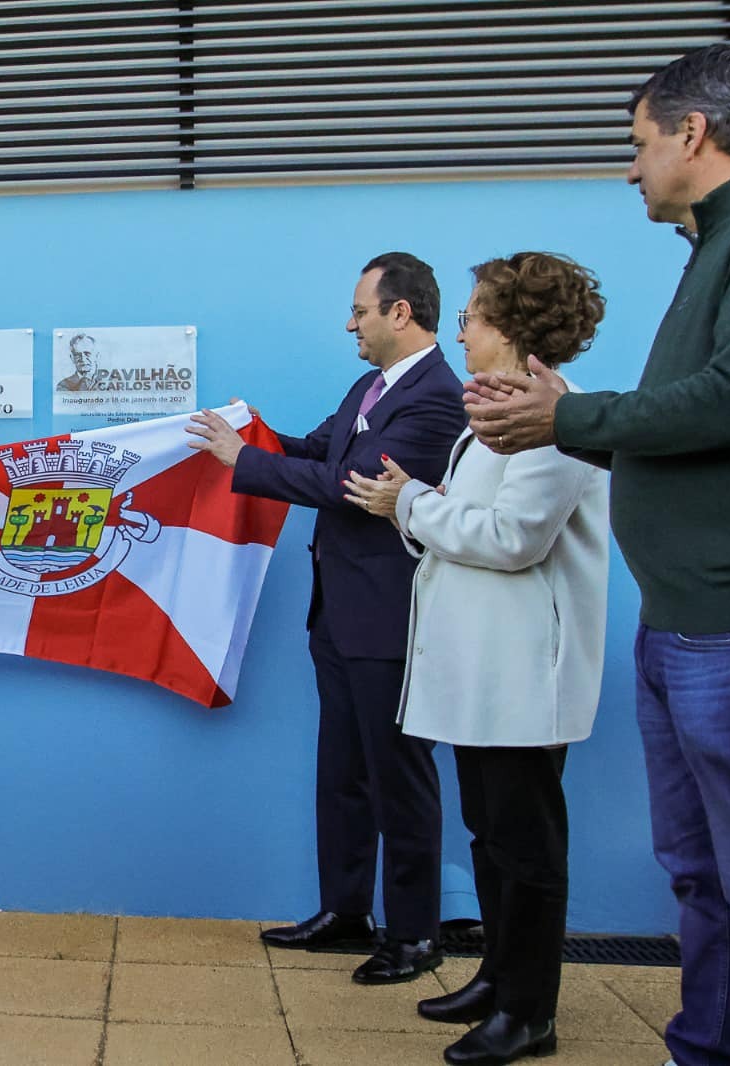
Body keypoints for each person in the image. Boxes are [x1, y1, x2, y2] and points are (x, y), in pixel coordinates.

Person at [463, 44, 730, 1066]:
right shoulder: (725, 240)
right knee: (701, 873)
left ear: (694, 133)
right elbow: (684, 421)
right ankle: (710, 1049)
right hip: (689, 622)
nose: (629, 167)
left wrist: (570, 414)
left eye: (638, 143)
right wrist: (560, 425)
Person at [345, 253, 609, 1064]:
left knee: (527, 849)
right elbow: (462, 519)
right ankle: (498, 977)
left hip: (525, 672)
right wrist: (415, 505)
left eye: (470, 315)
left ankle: (530, 1012)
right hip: (480, 671)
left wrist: (409, 503)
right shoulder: (486, 416)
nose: (461, 328)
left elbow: (512, 539)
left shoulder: (551, 422)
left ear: (510, 327)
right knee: (488, 835)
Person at [186, 252, 465, 984]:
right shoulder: (369, 385)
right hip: (338, 614)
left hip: (388, 617)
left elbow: (358, 484)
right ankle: (346, 912)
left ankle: (414, 935)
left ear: (400, 312)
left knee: (398, 777)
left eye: (361, 310)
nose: (351, 323)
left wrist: (241, 461)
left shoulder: (438, 397)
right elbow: (319, 449)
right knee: (342, 771)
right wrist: (247, 434)